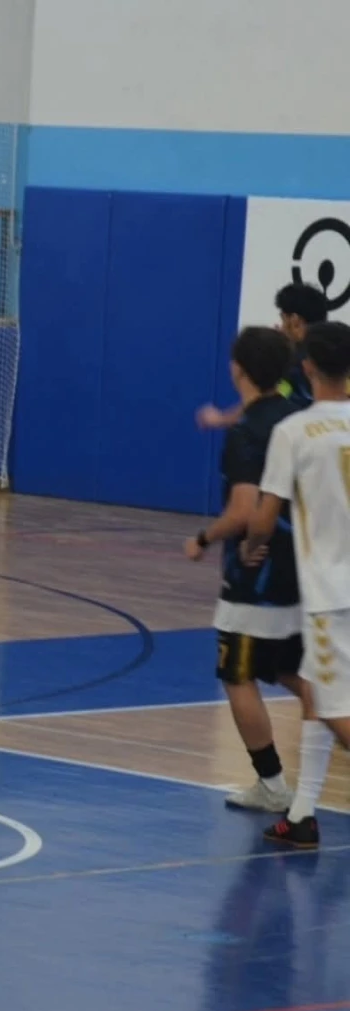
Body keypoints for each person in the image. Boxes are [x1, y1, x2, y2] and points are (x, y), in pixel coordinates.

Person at [184, 327, 318, 812]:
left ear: (237, 368)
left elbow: (244, 511)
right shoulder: (299, 417)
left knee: (237, 674)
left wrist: (203, 539)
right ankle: (315, 771)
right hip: (305, 568)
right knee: (290, 669)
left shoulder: (247, 434)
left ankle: (272, 784)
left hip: (256, 574)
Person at [246, 320, 350, 848]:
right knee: (315, 692)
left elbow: (265, 516)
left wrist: (250, 548)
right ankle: (304, 814)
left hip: (335, 593)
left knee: (334, 709)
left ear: (306, 365)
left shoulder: (293, 431)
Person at [197, 283, 329, 428]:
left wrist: (221, 419)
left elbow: (262, 401)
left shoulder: (292, 362)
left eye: (283, 319)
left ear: (295, 321)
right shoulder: (336, 354)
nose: (281, 326)